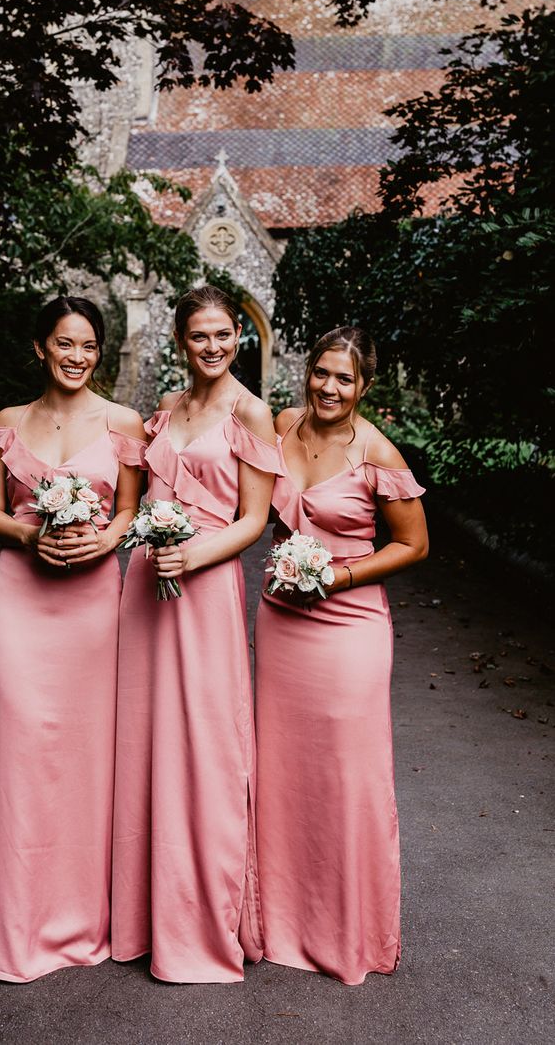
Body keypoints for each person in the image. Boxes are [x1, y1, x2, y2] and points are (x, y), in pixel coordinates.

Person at [0, 295, 146, 982]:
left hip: (95, 603)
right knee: (22, 751)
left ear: (100, 353)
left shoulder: (123, 421)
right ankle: (17, 927)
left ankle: (81, 918)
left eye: (89, 346)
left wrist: (106, 538)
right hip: (21, 598)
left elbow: (130, 506)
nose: (77, 357)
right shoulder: (10, 423)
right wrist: (28, 533)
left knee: (85, 757)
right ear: (40, 347)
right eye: (65, 344)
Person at [111, 285, 281, 983]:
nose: (212, 347)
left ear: (239, 334)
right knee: (145, 744)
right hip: (144, 592)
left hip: (204, 588)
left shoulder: (253, 412)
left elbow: (256, 519)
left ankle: (201, 922)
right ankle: (140, 917)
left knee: (206, 749)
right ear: (181, 342)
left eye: (223, 334)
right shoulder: (167, 412)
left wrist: (194, 554)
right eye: (198, 336)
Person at [254, 326, 428, 986]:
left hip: (349, 625)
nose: (330, 388)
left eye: (345, 379)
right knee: (283, 774)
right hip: (280, 622)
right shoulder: (283, 424)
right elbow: (265, 512)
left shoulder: (378, 452)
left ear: (365, 387)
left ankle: (347, 931)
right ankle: (281, 923)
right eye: (322, 374)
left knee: (347, 780)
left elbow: (412, 546)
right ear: (308, 374)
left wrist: (337, 577)